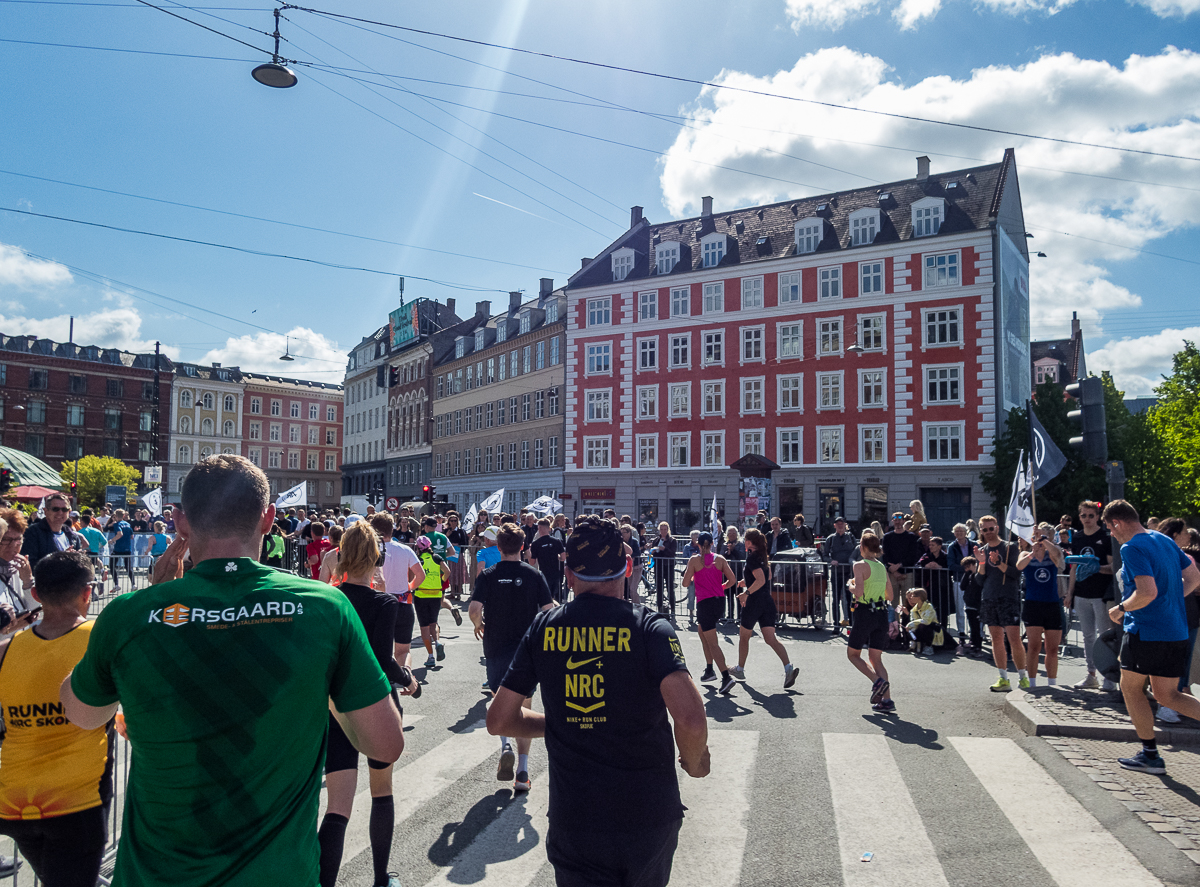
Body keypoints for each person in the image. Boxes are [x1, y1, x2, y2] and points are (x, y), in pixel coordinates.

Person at [60, 455, 404, 886]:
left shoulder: (130, 614)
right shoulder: (325, 607)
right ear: (268, 519)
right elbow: (385, 745)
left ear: (181, 523)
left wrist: (155, 605)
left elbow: (82, 713)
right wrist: (324, 688)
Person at [486, 515, 709, 887]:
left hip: (578, 818)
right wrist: (693, 762)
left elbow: (499, 720)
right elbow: (690, 720)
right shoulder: (650, 627)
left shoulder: (545, 627)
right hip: (648, 814)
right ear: (625, 567)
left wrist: (558, 725)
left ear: (569, 574)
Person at [0, 551, 111, 887]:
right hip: (77, 802)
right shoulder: (100, 639)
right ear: (87, 592)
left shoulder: (5, 649)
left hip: (15, 802)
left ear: (35, 594)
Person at [317, 522, 406, 887]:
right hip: (375, 704)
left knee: (337, 808)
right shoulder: (384, 603)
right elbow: (384, 662)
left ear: (341, 558)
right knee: (381, 792)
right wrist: (410, 680)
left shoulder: (327, 601)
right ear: (376, 557)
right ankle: (381, 877)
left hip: (335, 706)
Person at [1100, 500, 1200, 775]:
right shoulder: (1164, 540)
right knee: (1169, 695)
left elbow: (1146, 592)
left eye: (1110, 527)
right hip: (1176, 629)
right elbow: (1193, 576)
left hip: (1146, 631)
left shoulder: (1131, 547)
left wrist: (1120, 608)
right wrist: (1172, 601)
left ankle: (1150, 755)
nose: (1111, 533)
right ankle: (1149, 754)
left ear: (1117, 523)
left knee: (1130, 688)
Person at [469, 523, 555, 792]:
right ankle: (523, 771)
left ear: (498, 546)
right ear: (522, 546)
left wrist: (478, 625)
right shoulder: (533, 574)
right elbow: (549, 609)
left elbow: (474, 608)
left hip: (495, 645)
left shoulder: (490, 574)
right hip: (526, 648)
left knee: (500, 700)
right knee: (524, 708)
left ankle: (505, 745)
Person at [731, 528, 800, 689]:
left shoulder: (751, 558)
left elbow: (761, 580)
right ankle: (788, 668)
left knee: (744, 636)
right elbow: (766, 576)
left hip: (754, 602)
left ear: (749, 542)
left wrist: (746, 593)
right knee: (770, 639)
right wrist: (746, 581)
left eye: (745, 539)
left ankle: (740, 669)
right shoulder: (763, 557)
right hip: (766, 602)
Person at [1066, 500, 1117, 690]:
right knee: (1087, 635)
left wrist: (1096, 568)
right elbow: (1073, 567)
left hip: (1101, 593)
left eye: (1091, 515)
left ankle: (1109, 676)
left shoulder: (1105, 536)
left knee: (1105, 635)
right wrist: (1069, 593)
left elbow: (1112, 567)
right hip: (1081, 592)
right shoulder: (1077, 538)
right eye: (1083, 515)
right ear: (1079, 517)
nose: (1087, 519)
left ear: (1097, 516)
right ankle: (1091, 674)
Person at [974, 515, 1028, 692]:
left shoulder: (1010, 547)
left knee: (1014, 638)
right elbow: (980, 580)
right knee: (996, 639)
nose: (988, 532)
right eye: (985, 529)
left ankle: (1023, 677)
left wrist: (998, 563)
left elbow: (1015, 573)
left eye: (991, 528)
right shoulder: (982, 549)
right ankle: (1003, 678)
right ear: (980, 531)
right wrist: (982, 562)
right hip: (989, 597)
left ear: (997, 528)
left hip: (1008, 597)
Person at [680, 532, 737, 694]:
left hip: (705, 603)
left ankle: (726, 676)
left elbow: (685, 583)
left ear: (698, 545)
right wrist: (721, 587)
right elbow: (732, 580)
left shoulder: (694, 560)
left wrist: (692, 576)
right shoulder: (719, 559)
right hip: (719, 601)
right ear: (712, 544)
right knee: (702, 632)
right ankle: (709, 669)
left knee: (712, 642)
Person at [845, 532, 896, 713]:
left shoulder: (860, 565)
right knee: (876, 659)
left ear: (863, 547)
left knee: (853, 654)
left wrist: (849, 585)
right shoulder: (881, 566)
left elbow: (858, 592)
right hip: (881, 613)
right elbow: (890, 595)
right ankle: (887, 700)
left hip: (865, 613)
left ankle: (877, 682)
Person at [1154, 519, 1199, 724]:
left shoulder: (1184, 556)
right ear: (1174, 535)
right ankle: (1166, 705)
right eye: (1183, 532)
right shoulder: (1166, 555)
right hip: (1172, 617)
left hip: (1188, 616)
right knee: (1170, 664)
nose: (1188, 535)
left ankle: (1178, 703)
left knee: (1183, 663)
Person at [377, 523, 424, 697]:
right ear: (392, 530)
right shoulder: (405, 549)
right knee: (403, 651)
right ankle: (407, 676)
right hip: (404, 602)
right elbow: (421, 575)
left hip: (381, 603)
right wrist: (409, 588)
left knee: (382, 650)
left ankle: (385, 687)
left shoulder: (373, 551)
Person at [1017, 526, 1066, 687]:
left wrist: (1045, 541)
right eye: (1035, 537)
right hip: (1033, 604)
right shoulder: (1026, 554)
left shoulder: (1051, 553)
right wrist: (1032, 552)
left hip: (1052, 604)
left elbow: (1058, 556)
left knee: (1052, 648)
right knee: (1034, 646)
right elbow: (1019, 565)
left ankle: (1052, 683)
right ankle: (1032, 683)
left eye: (1040, 537)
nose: (1037, 539)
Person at [412, 536, 449, 669]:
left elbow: (412, 576)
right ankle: (438, 642)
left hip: (421, 594)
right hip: (435, 593)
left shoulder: (418, 559)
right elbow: (447, 572)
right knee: (434, 622)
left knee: (424, 626)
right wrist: (441, 581)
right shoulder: (437, 558)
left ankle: (431, 656)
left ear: (418, 547)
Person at [20, 493, 83, 569]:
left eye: (64, 509)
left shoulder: (72, 536)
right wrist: (60, 559)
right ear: (46, 511)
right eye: (55, 509)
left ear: (69, 512)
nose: (60, 513)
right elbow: (29, 564)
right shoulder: (32, 533)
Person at [0, 510, 36, 627]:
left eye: (18, 539)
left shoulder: (19, 569)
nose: (13, 545)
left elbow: (35, 609)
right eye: (6, 539)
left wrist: (28, 581)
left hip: (18, 641)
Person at [822, 517, 856, 628]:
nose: (840, 526)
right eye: (838, 524)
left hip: (849, 574)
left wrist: (852, 561)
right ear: (834, 525)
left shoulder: (850, 537)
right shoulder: (830, 539)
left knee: (850, 599)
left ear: (845, 525)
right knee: (835, 600)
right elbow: (825, 555)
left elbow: (856, 552)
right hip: (836, 574)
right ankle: (836, 625)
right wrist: (831, 561)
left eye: (842, 524)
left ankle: (851, 624)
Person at [947, 524, 977, 643]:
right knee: (960, 609)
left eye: (962, 531)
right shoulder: (952, 547)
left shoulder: (974, 545)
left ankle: (977, 634)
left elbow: (978, 560)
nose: (959, 533)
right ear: (954, 533)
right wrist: (966, 568)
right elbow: (951, 564)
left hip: (975, 581)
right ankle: (961, 633)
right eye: (957, 531)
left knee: (975, 608)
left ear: (966, 532)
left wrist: (971, 569)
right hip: (959, 580)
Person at [882, 512, 923, 599]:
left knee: (908, 601)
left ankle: (906, 613)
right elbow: (885, 555)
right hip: (892, 574)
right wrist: (893, 571)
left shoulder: (911, 537)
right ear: (892, 521)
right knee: (893, 602)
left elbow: (913, 555)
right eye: (895, 520)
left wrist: (900, 565)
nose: (897, 522)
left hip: (908, 573)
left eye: (899, 519)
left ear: (903, 521)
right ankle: (896, 613)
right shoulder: (887, 537)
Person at [916, 536, 951, 631]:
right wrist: (925, 565)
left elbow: (950, 568)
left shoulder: (945, 557)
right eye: (930, 545)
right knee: (929, 609)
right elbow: (918, 564)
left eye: (933, 545)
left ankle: (943, 631)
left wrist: (940, 567)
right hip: (929, 587)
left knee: (942, 611)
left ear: (939, 546)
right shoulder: (926, 556)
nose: (930, 547)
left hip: (942, 587)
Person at [530, 518, 567, 603]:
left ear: (539, 528)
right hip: (556, 573)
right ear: (549, 528)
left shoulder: (536, 544)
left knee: (545, 598)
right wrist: (557, 557)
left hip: (543, 574)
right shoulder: (556, 541)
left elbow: (532, 562)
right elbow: (563, 557)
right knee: (557, 598)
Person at [901, 587, 947, 655]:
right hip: (921, 628)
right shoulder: (914, 609)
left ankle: (929, 646)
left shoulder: (929, 606)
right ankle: (915, 643)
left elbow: (927, 621)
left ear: (918, 598)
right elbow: (913, 620)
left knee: (923, 625)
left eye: (912, 596)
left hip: (934, 629)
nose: (910, 598)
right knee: (913, 628)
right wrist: (910, 628)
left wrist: (910, 624)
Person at [103, 509, 133, 591]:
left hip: (118, 548)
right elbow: (132, 536)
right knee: (128, 567)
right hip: (127, 548)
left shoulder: (117, 524)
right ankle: (134, 584)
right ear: (124, 516)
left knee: (112, 565)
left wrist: (112, 540)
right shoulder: (128, 524)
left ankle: (116, 584)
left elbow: (120, 534)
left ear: (115, 516)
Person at [651, 522, 677, 614]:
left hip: (668, 566)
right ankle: (660, 608)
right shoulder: (656, 540)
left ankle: (673, 609)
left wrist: (664, 549)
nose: (663, 531)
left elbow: (673, 553)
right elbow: (652, 553)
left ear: (668, 530)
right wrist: (653, 551)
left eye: (665, 529)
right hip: (658, 566)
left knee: (670, 588)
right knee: (659, 588)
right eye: (661, 529)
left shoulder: (672, 540)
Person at [959, 557, 983, 655]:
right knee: (972, 626)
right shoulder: (968, 575)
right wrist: (967, 573)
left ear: (974, 564)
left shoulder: (979, 575)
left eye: (968, 566)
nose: (966, 568)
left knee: (977, 627)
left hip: (977, 604)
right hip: (969, 603)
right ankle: (973, 644)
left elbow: (978, 586)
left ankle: (978, 646)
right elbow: (962, 586)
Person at [445, 512, 470, 602]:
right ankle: (452, 593)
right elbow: (443, 541)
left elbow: (465, 542)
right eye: (451, 520)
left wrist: (460, 549)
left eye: (455, 520)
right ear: (449, 522)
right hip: (449, 554)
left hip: (458, 554)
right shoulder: (446, 531)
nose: (453, 522)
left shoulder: (461, 531)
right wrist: (447, 535)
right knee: (451, 573)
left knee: (459, 573)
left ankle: (458, 593)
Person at [679, 531, 701, 622]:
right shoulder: (687, 547)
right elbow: (684, 560)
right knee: (691, 594)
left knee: (700, 595)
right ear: (691, 537)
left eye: (697, 536)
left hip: (700, 573)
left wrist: (698, 558)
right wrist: (691, 559)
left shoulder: (702, 546)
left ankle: (700, 614)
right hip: (691, 573)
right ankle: (691, 614)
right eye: (694, 536)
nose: (696, 538)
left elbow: (705, 558)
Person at [620, 524, 641, 604]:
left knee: (633, 589)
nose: (622, 535)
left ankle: (637, 606)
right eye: (621, 532)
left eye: (624, 532)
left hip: (636, 567)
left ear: (629, 533)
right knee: (628, 588)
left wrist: (631, 556)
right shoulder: (622, 542)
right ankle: (631, 606)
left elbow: (638, 552)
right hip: (628, 567)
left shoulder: (634, 541)